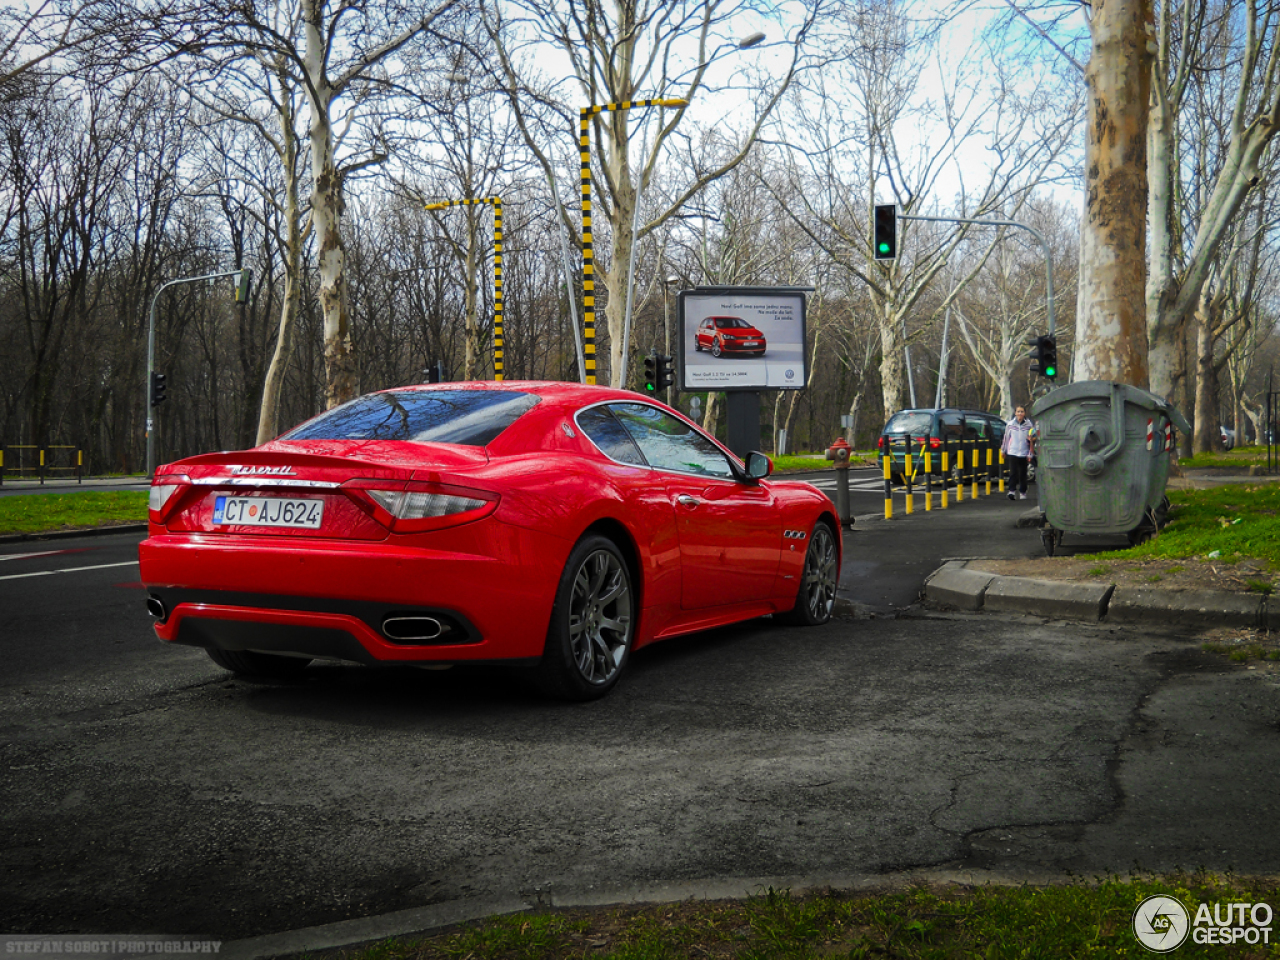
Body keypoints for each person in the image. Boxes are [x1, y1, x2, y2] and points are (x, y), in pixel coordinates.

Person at [1001, 405, 1035, 500]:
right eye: (1018, 412)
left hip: (1024, 452)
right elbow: (1006, 438)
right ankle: (1011, 491)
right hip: (1013, 451)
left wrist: (1030, 454)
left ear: (1024, 413)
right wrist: (1003, 450)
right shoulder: (1010, 424)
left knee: (1023, 473)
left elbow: (1031, 440)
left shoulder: (1028, 425)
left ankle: (1023, 492)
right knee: (1013, 472)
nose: (1020, 413)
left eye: (1022, 412)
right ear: (1015, 413)